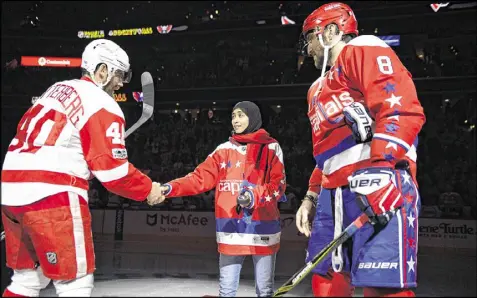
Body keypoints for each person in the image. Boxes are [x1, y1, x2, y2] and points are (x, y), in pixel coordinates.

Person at [1, 39, 165, 297]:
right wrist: (148, 189)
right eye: (120, 75)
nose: (122, 82)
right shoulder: (102, 102)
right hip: (52, 194)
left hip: (11, 189)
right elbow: (113, 173)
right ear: (103, 71)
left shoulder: (56, 88)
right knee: (74, 284)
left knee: (27, 282)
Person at [294, 3, 426, 297]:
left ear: (331, 31)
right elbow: (326, 153)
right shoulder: (315, 89)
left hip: (377, 181)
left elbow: (401, 108)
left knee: (382, 285)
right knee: (326, 278)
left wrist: (382, 168)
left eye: (311, 37)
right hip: (332, 195)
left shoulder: (363, 48)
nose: (309, 47)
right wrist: (311, 196)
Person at [154, 101, 287, 297]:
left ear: (253, 117)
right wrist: (169, 188)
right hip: (230, 229)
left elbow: (278, 185)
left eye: (241, 115)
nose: (236, 120)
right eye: (233, 116)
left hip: (263, 229)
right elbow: (198, 178)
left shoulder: (271, 148)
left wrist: (253, 196)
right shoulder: (223, 150)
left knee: (265, 291)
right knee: (226, 292)